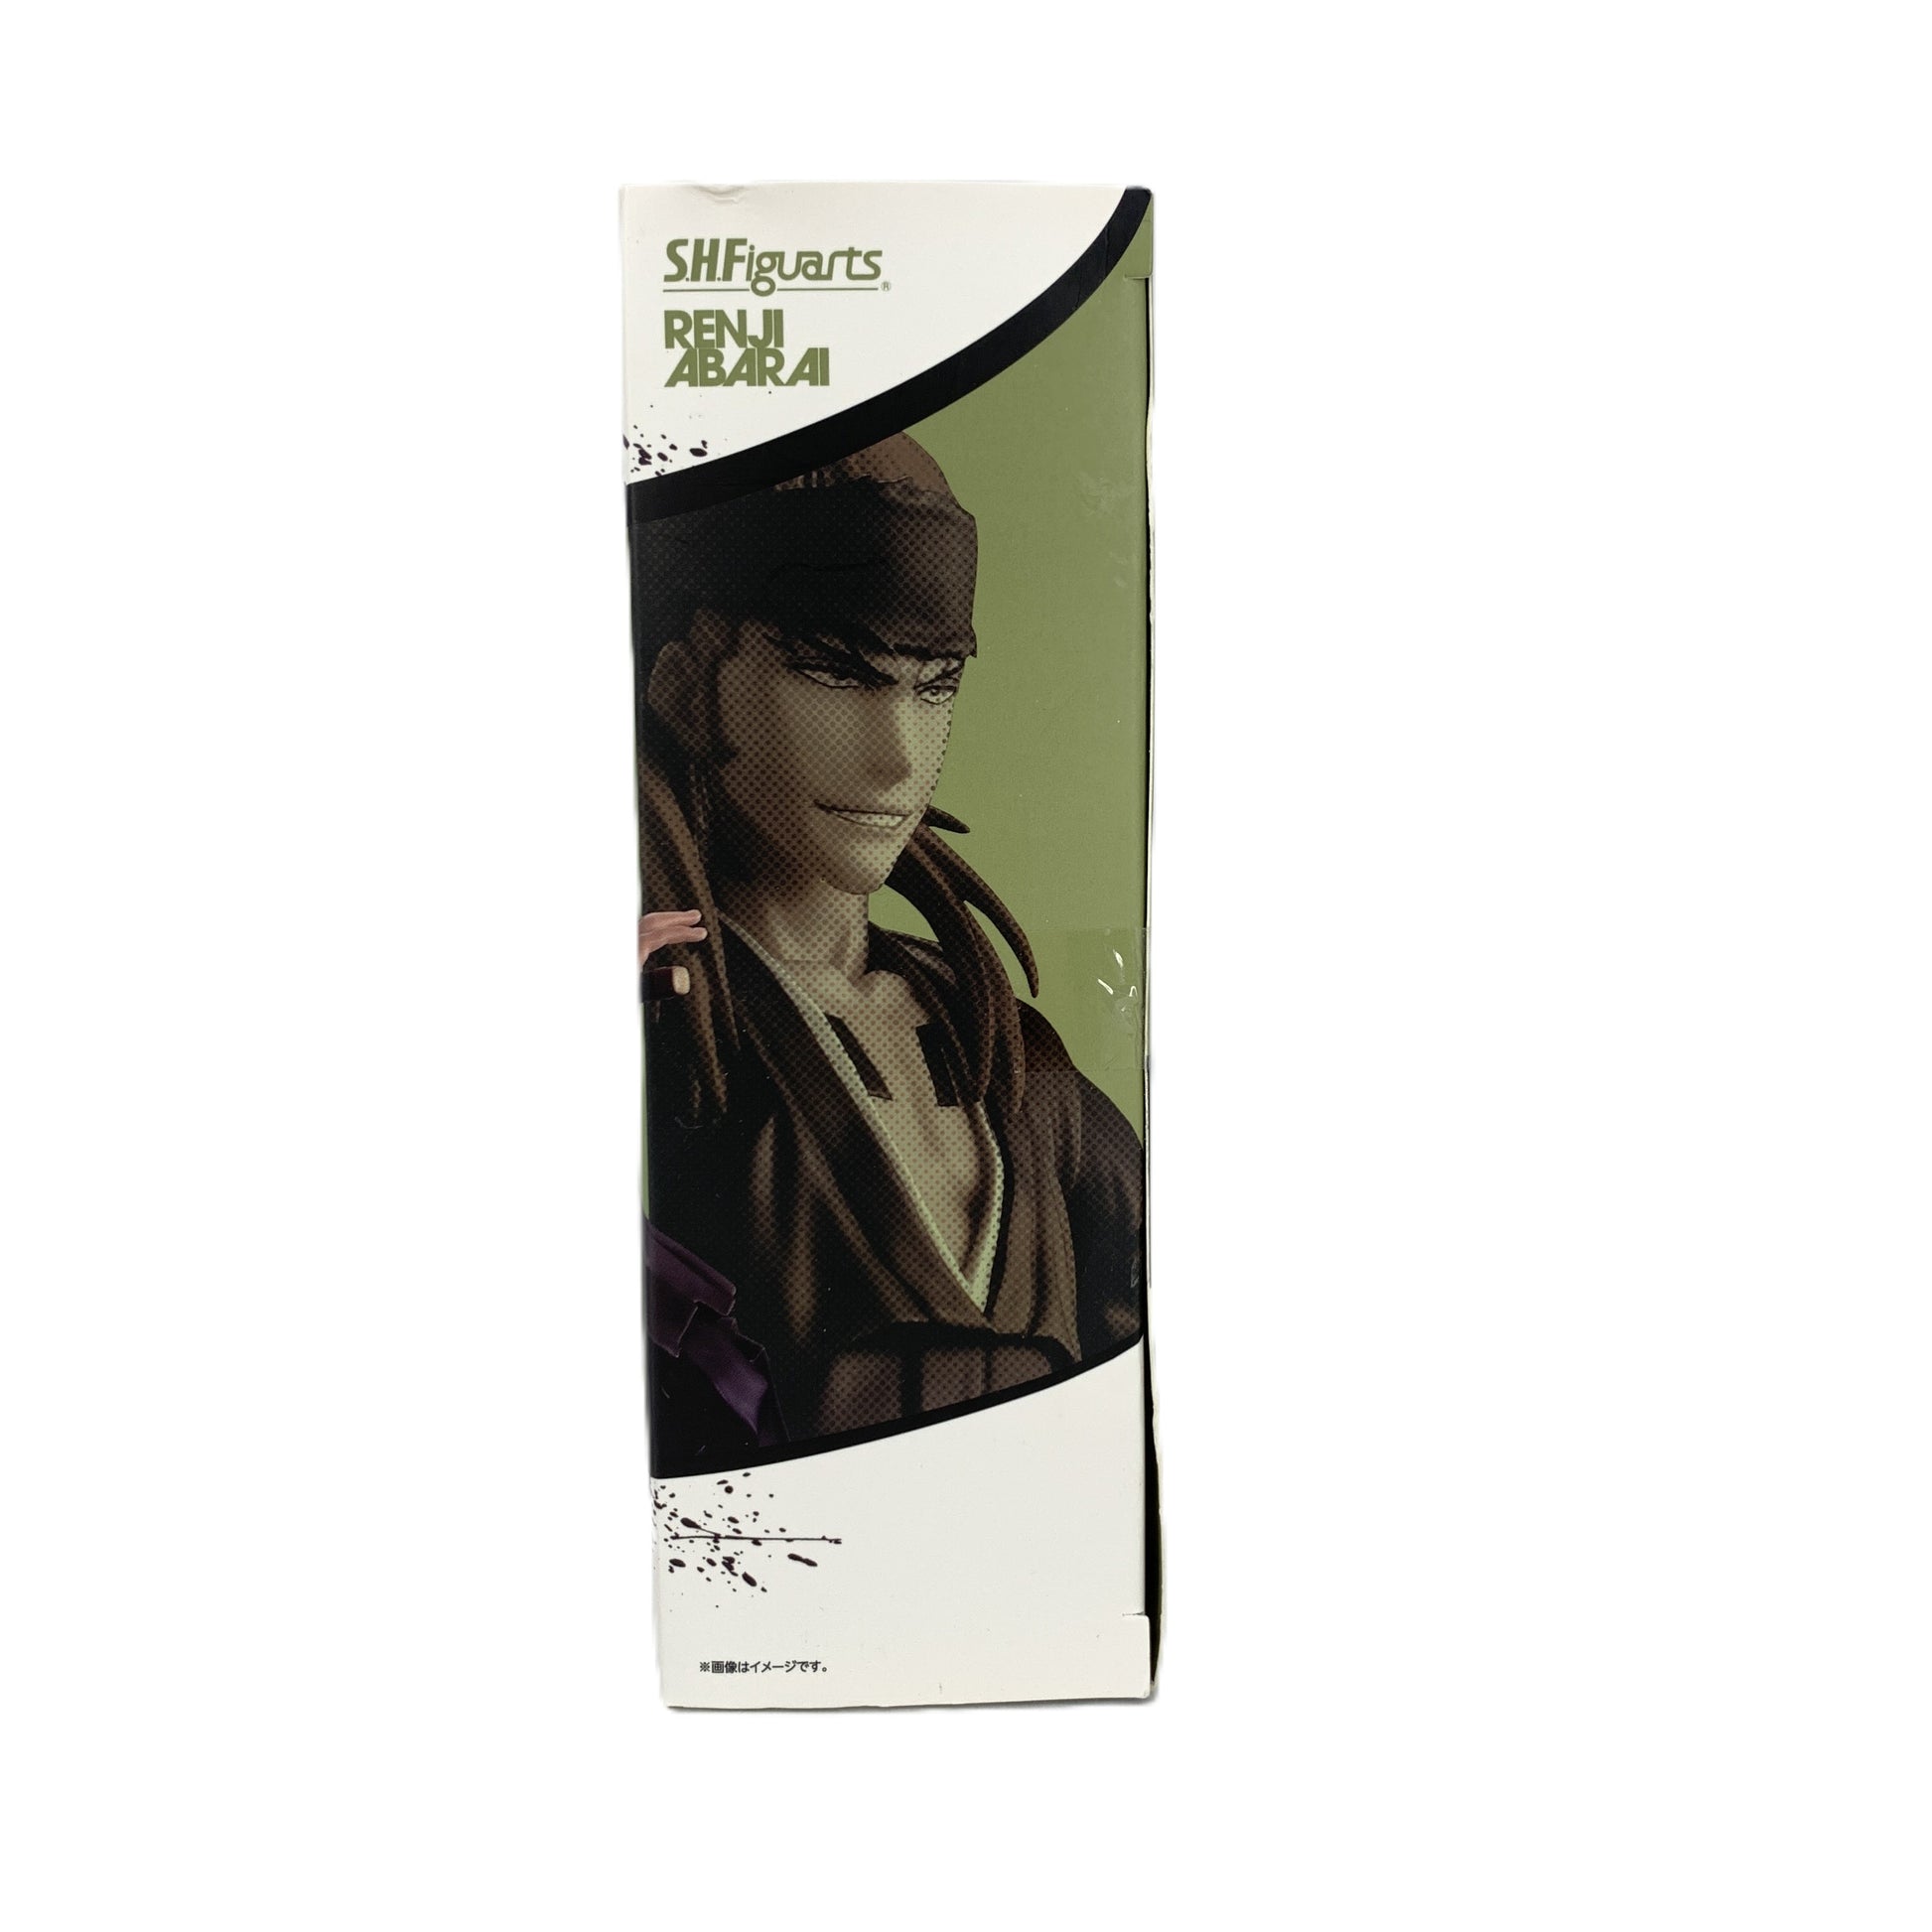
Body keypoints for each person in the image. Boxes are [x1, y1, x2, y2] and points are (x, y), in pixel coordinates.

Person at [631, 433, 1143, 1471]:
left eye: (935, 685)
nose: (898, 755)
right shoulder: (670, 1034)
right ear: (685, 684)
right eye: (835, 674)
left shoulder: (1017, 1061)